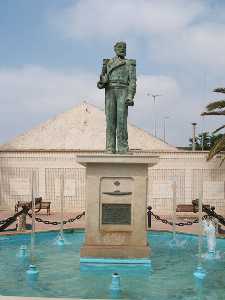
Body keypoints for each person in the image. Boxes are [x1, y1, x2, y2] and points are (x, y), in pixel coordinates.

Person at [97, 41, 136, 153]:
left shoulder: (129, 63)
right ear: (114, 49)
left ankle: (123, 147)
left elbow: (132, 81)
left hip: (123, 90)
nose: (122, 49)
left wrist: (130, 96)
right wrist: (102, 80)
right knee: (110, 120)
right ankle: (110, 147)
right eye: (119, 47)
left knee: (121, 120)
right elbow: (102, 81)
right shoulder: (108, 63)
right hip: (110, 91)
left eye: (124, 47)